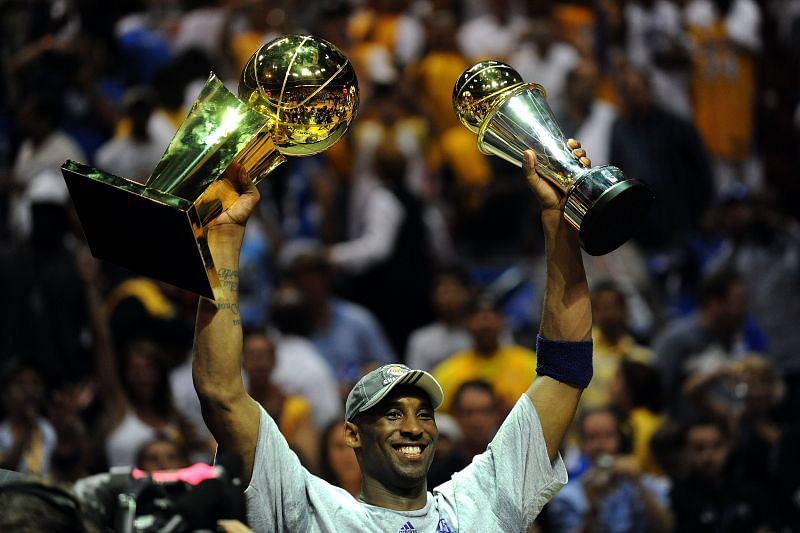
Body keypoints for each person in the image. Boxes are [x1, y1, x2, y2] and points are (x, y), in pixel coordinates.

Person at [191, 140, 594, 531]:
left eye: (423, 413)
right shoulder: (313, 511)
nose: (414, 427)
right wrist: (223, 243)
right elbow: (221, 394)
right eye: (392, 414)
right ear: (353, 434)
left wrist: (559, 220)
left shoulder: (481, 499)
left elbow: (565, 371)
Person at [547, 408, 673, 532]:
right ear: (582, 445)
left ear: (621, 440)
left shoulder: (643, 483)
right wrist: (592, 507)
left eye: (609, 435)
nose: (601, 444)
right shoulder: (567, 497)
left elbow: (666, 527)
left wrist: (638, 483)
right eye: (593, 437)